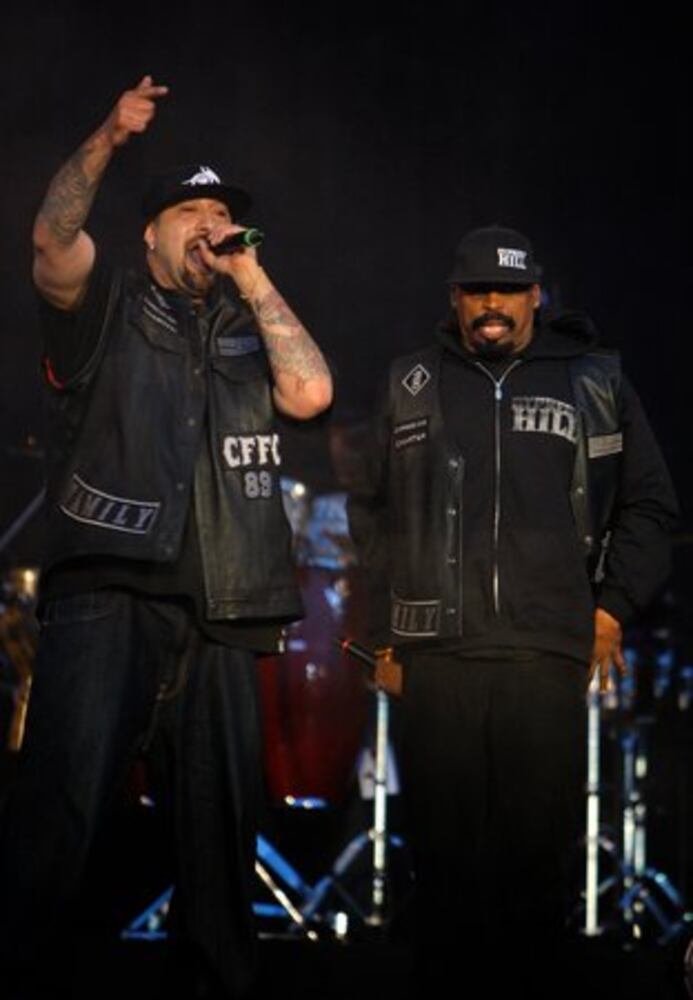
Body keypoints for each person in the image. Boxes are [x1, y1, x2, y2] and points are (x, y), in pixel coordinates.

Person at [0, 76, 332, 999]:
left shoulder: (245, 327)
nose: (209, 224)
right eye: (190, 212)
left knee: (219, 844)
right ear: (149, 233)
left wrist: (250, 275)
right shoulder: (102, 304)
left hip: (223, 604)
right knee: (60, 818)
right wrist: (108, 136)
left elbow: (311, 394)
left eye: (221, 214)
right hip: (107, 593)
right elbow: (51, 240)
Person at [348, 225, 678, 997]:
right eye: (475, 291)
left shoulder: (591, 380)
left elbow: (649, 506)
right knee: (442, 871)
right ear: (453, 298)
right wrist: (383, 638)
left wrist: (610, 609)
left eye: (504, 289)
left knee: (533, 869)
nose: (489, 304)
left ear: (535, 295)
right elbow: (370, 511)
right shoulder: (411, 381)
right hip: (438, 662)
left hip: (544, 657)